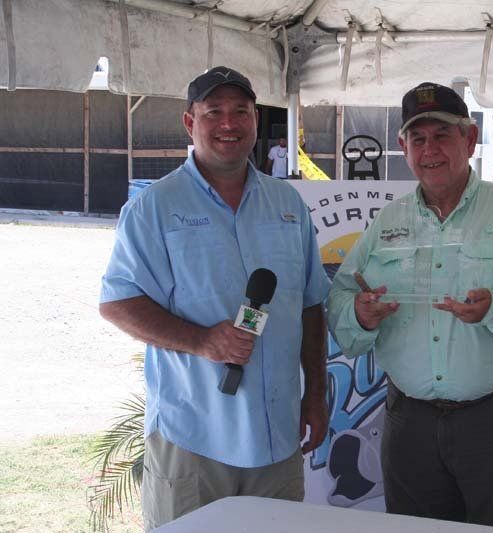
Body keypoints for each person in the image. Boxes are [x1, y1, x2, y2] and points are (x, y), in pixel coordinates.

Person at [327, 82, 493, 532]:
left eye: (442, 136)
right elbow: (341, 298)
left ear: (470, 139)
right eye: (418, 139)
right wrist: (361, 315)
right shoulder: (388, 222)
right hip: (411, 423)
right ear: (403, 147)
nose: (430, 150)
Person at [99, 66, 330, 530]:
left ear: (256, 120)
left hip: (277, 441)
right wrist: (202, 341)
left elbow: (309, 304)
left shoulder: (288, 205)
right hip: (195, 438)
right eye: (214, 112)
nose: (229, 123)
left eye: (241, 111)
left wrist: (317, 395)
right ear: (190, 122)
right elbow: (119, 303)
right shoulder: (156, 207)